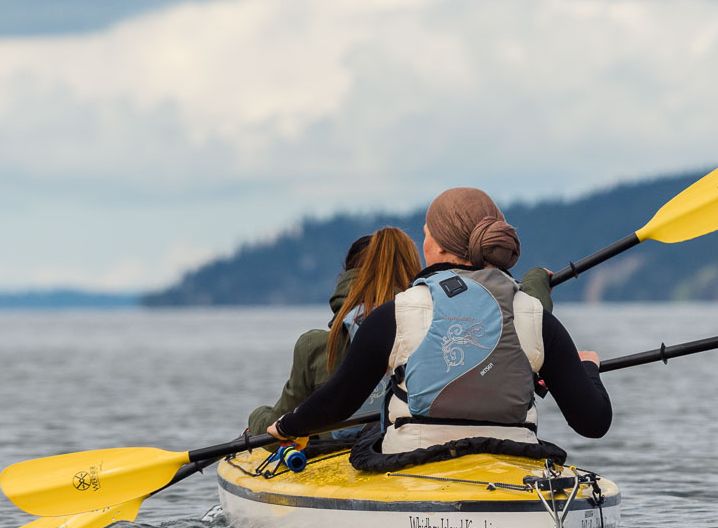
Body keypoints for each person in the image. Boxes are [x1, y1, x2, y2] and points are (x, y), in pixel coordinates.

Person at [268, 188, 611, 471]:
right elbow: (593, 423)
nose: (424, 245)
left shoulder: (396, 315)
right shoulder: (537, 317)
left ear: (442, 248)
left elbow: (337, 403)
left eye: (426, 236)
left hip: (413, 462)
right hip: (516, 462)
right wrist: (587, 368)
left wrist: (287, 425)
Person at [247, 228, 422, 439]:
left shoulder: (315, 346)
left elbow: (276, 433)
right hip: (410, 443)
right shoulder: (429, 331)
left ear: (346, 279)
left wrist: (257, 417)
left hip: (335, 451)